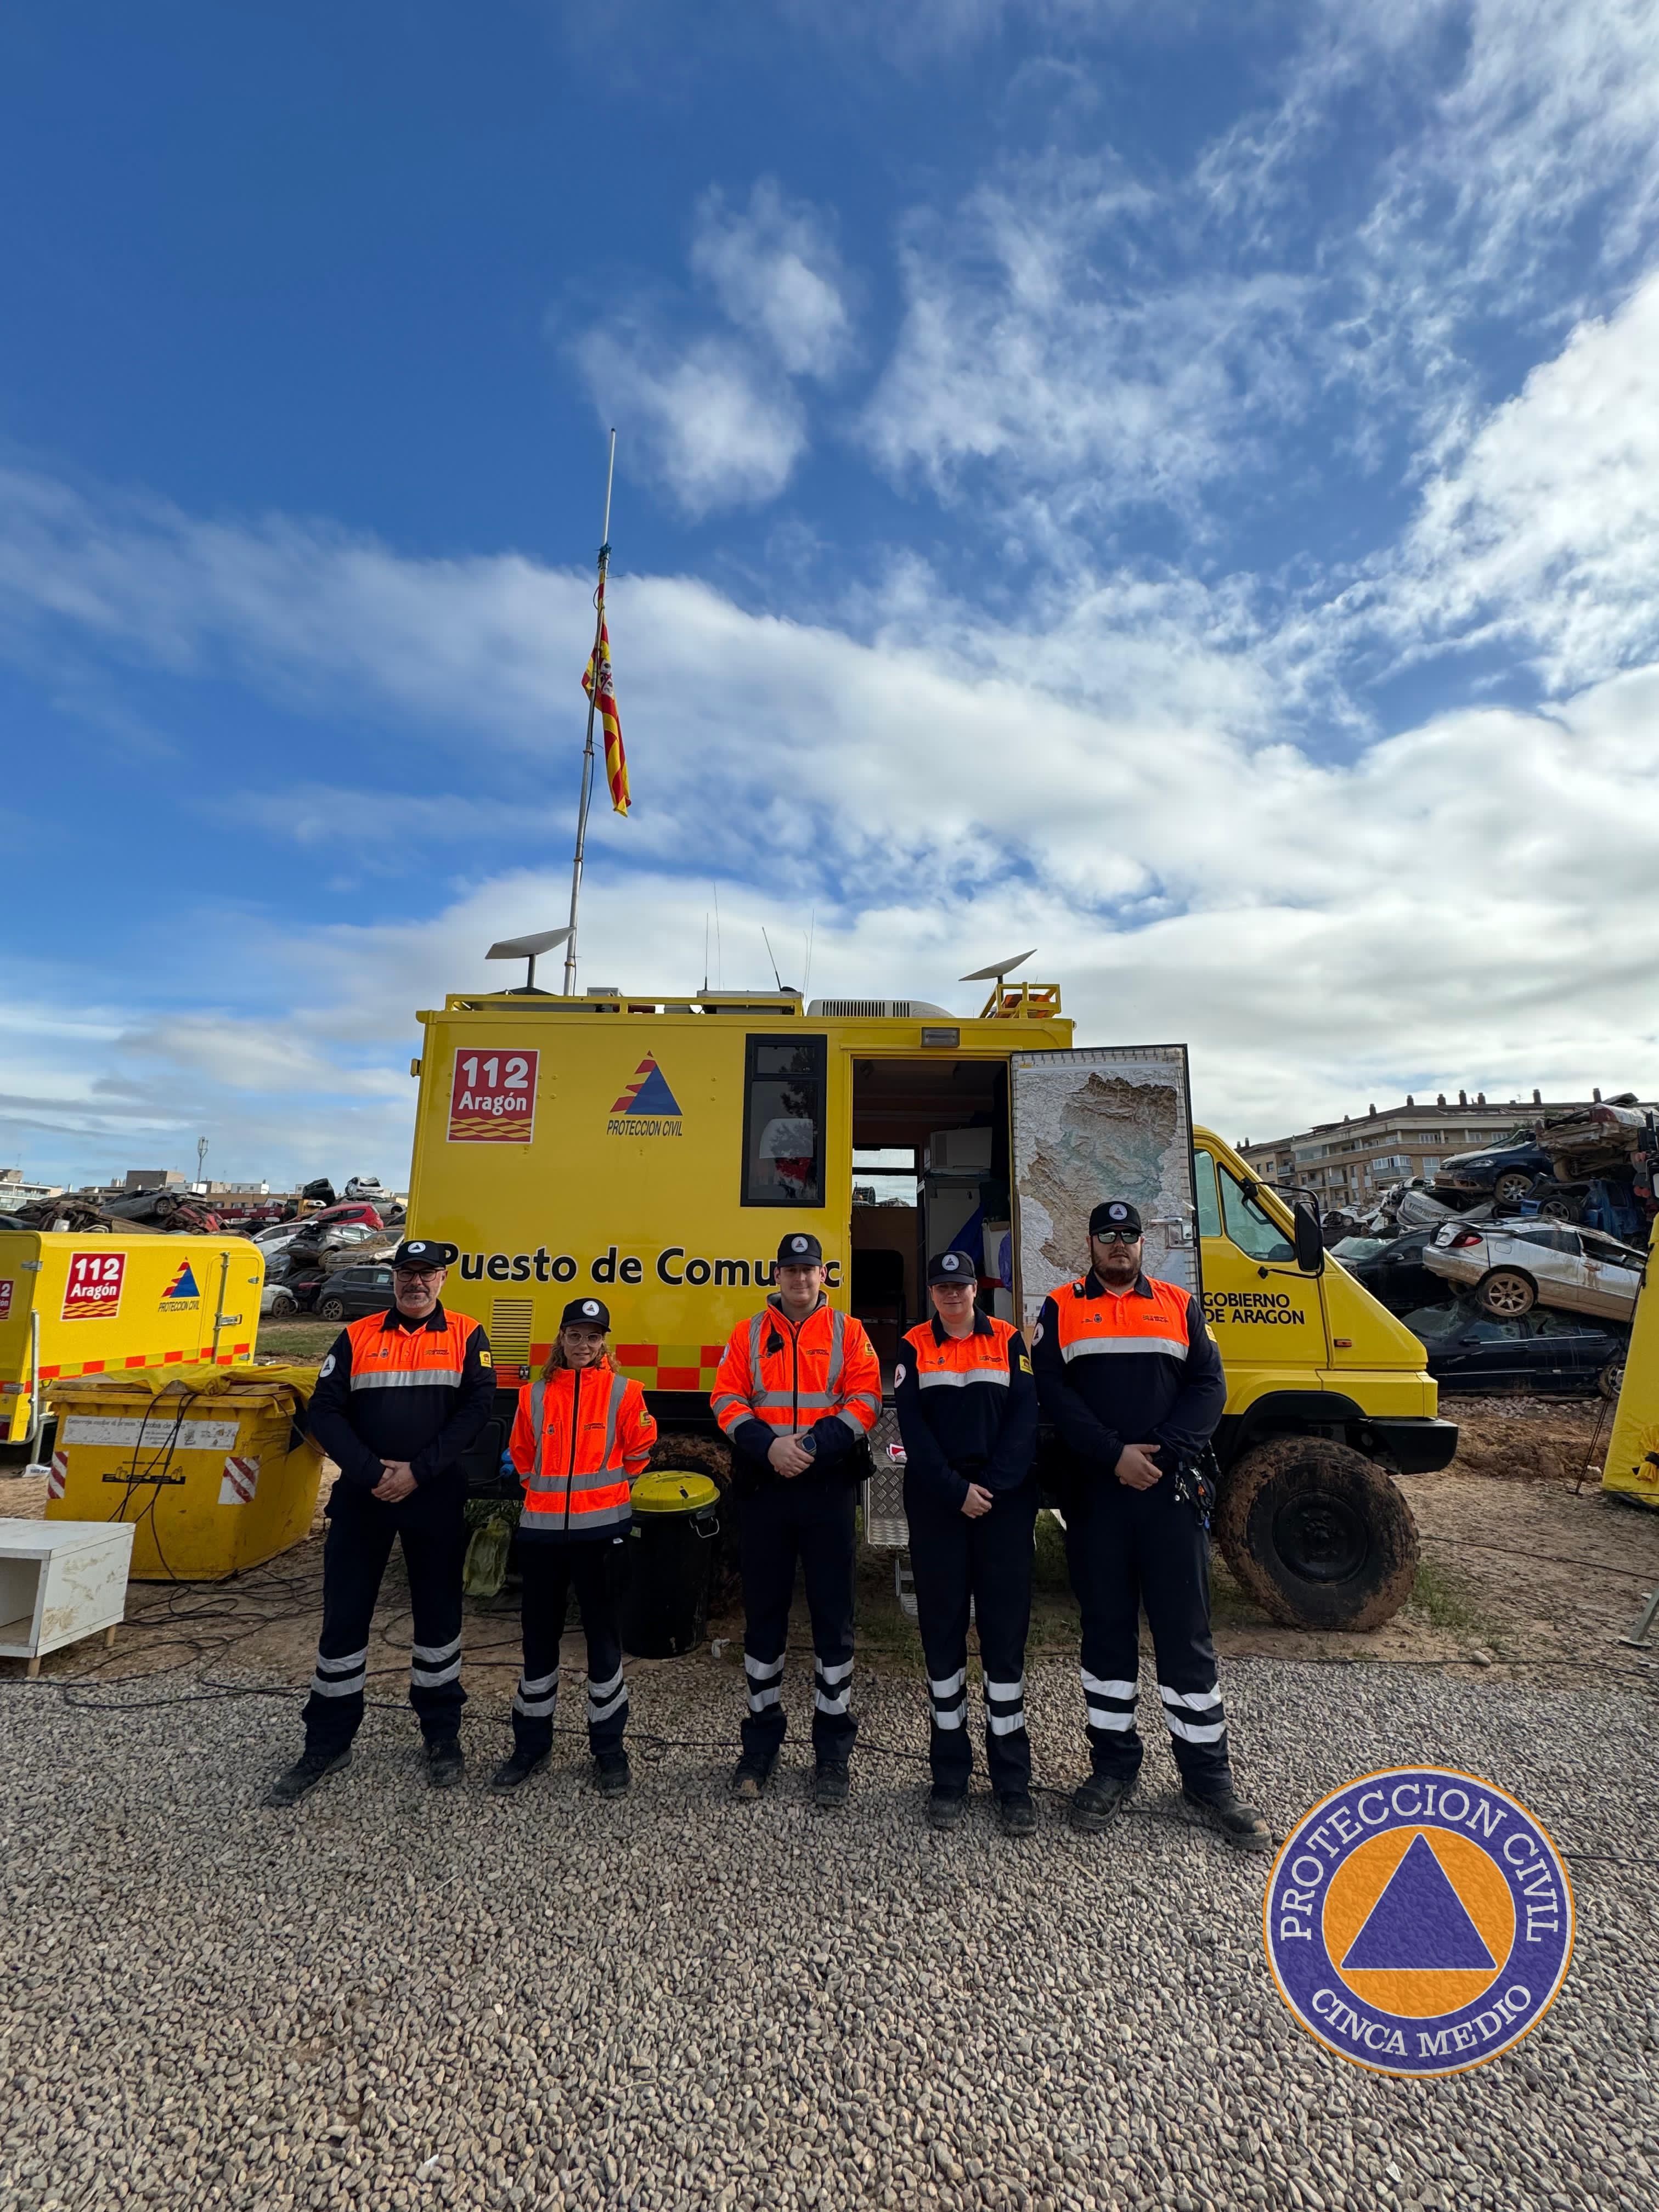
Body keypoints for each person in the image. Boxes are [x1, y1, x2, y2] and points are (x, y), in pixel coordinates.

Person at [1030, 1200, 1271, 1850]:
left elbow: (1209, 1387)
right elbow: (1053, 1392)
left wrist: (1159, 1455)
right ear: (1089, 1243)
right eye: (1107, 1236)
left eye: (1129, 1236)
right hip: (1098, 1496)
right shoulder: (1060, 1308)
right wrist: (1114, 1455)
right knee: (1105, 1634)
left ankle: (1208, 1780)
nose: (1118, 1245)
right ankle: (1112, 1768)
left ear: (1143, 1244)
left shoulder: (1178, 1303)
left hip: (1167, 1494)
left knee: (1185, 1635)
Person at [267, 1237, 496, 1805]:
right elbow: (324, 1408)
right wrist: (372, 1473)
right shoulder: (357, 1336)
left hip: (433, 1495)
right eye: (405, 1274)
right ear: (393, 1279)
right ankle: (327, 1741)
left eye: (426, 1274)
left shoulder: (468, 1335)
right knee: (344, 1621)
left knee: (438, 1621)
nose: (415, 1283)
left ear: (443, 1280)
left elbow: (476, 1409)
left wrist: (417, 1472)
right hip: (365, 1497)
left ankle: (442, 1737)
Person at [711, 1231, 882, 1807]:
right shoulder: (748, 1334)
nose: (800, 1280)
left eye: (809, 1271)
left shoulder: (849, 1332)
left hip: (827, 1487)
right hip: (766, 1490)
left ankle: (832, 1751)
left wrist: (807, 1443)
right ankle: (760, 1744)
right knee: (764, 1617)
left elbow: (867, 1400)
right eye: (790, 1270)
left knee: (834, 1618)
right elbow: (725, 1400)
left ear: (823, 1276)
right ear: (777, 1275)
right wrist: (769, 1447)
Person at [894, 1248, 1040, 1836]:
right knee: (943, 1637)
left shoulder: (1009, 1341)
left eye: (961, 1286)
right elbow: (914, 1432)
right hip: (939, 1507)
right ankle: (949, 1775)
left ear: (976, 1289)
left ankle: (1012, 1783)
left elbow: (1025, 1422)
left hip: (1003, 1506)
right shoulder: (912, 1346)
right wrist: (958, 1492)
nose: (953, 1295)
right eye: (942, 1288)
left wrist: (990, 1488)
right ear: (931, 1294)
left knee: (1005, 1642)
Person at [491, 1296, 657, 1799]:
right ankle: (530, 1746)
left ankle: (609, 1750)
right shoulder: (534, 1395)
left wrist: (605, 1495)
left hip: (601, 1536)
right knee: (538, 1642)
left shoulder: (626, 1392)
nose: (583, 1345)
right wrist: (542, 1491)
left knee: (603, 1642)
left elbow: (641, 1450)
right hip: (542, 1535)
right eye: (574, 1335)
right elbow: (521, 1455)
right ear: (560, 1339)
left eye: (592, 1336)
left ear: (605, 1342)